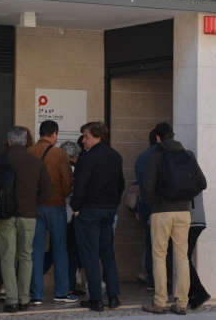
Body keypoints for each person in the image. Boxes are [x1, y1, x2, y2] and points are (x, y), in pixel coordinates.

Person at [142, 122, 207, 316]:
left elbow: (147, 186)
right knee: (182, 258)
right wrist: (186, 196)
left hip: (161, 212)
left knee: (159, 256)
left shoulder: (156, 156)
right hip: (183, 212)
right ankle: (181, 304)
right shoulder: (187, 155)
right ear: (173, 135)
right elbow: (202, 183)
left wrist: (155, 202)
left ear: (158, 138)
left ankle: (159, 302)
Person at [0, 126, 53, 313]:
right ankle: (24, 298)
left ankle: (11, 300)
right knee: (26, 256)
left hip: (5, 214)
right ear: (26, 141)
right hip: (28, 214)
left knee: (7, 257)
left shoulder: (0, 161)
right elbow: (48, 190)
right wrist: (31, 201)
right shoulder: (35, 163)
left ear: (9, 141)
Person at [70, 122, 124, 312]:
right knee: (107, 254)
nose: (83, 140)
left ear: (97, 136)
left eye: (86, 136)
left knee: (90, 256)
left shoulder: (88, 157)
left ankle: (96, 299)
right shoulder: (116, 156)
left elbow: (80, 185)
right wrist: (113, 204)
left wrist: (75, 207)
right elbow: (120, 185)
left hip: (90, 211)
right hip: (108, 210)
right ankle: (113, 297)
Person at [27, 121, 77, 305]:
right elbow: (67, 182)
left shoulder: (29, 152)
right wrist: (61, 194)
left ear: (41, 133)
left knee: (36, 251)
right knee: (60, 249)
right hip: (56, 206)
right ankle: (61, 292)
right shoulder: (59, 153)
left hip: (34, 206)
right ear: (54, 134)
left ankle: (36, 294)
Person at [59, 140, 86, 296]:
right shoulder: (73, 169)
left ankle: (32, 280)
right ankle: (70, 285)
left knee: (56, 251)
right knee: (72, 252)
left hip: (57, 214)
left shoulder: (57, 168)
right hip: (71, 215)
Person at [134, 129, 157, 290]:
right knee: (159, 246)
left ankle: (150, 277)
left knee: (150, 243)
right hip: (157, 206)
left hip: (144, 206)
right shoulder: (159, 157)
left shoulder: (141, 158)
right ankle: (156, 279)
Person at [187, 192, 211, 310]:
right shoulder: (195, 174)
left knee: (183, 259)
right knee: (185, 258)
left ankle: (200, 293)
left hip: (192, 220)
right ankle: (192, 294)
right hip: (196, 219)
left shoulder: (190, 174)